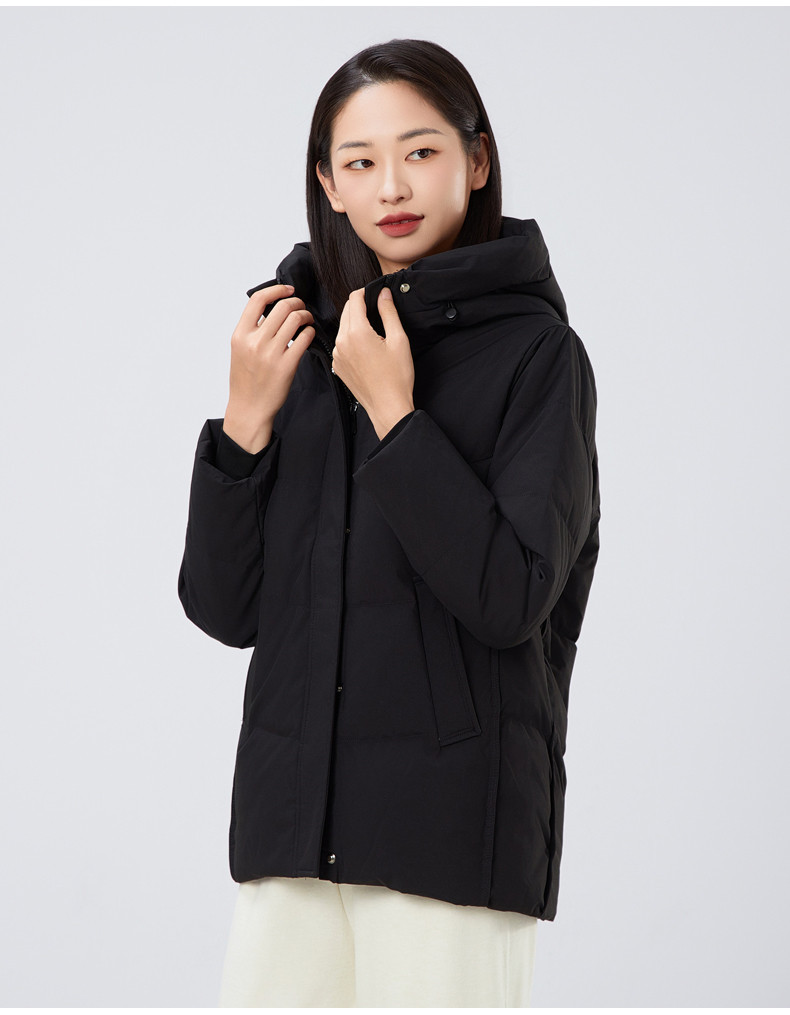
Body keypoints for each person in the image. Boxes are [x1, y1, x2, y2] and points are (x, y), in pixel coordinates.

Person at [177, 38, 601, 1008]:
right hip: (290, 831)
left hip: (449, 834)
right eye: (360, 162)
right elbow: (224, 609)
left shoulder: (538, 358)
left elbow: (510, 597)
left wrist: (395, 415)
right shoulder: (294, 345)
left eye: (420, 151)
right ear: (327, 184)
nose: (392, 186)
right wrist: (243, 421)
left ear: (475, 160)